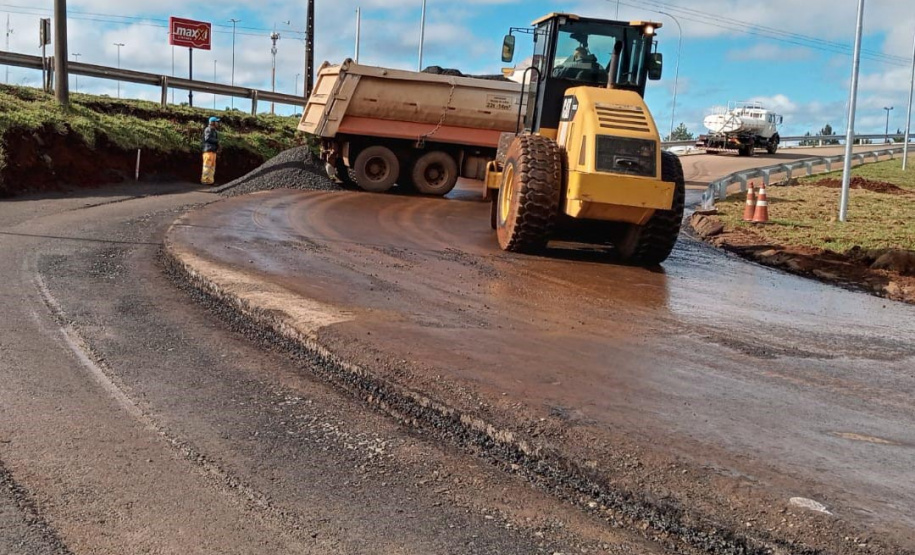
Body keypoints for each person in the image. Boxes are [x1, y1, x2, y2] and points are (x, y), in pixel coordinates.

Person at [201, 116, 220, 185]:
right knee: (207, 166)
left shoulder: (214, 131)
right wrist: (217, 141)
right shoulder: (208, 129)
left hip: (213, 151)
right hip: (208, 151)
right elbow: (207, 138)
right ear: (212, 122)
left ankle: (210, 181)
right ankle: (205, 180)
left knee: (212, 167)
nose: (218, 123)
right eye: (216, 122)